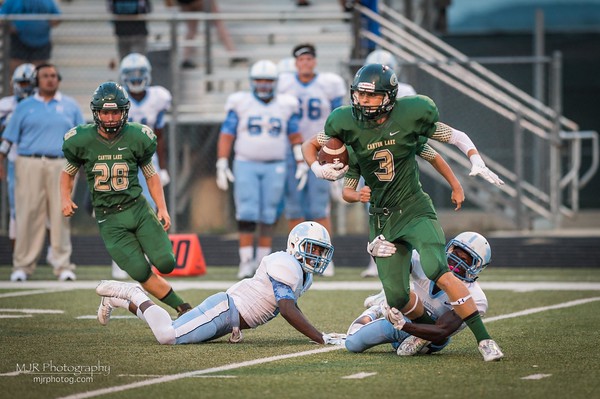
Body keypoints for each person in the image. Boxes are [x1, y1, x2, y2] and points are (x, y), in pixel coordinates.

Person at [302, 63, 504, 361]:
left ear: (390, 97)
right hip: (383, 220)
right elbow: (311, 145)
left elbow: (451, 137)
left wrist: (474, 159)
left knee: (437, 268)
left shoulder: (409, 118)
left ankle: (484, 341)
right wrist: (318, 169)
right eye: (359, 94)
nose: (363, 101)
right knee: (397, 296)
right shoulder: (345, 124)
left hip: (414, 209)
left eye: (371, 96)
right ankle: (428, 334)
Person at [95, 221, 346, 346]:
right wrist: (319, 337)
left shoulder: (303, 275)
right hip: (225, 310)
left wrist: (317, 334)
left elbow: (290, 306)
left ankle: (117, 300)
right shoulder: (285, 263)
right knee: (167, 336)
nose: (317, 256)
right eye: (312, 248)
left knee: (171, 327)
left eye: (321, 251)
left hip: (228, 316)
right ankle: (131, 291)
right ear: (294, 245)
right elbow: (287, 309)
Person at [60, 81, 192, 317]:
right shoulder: (81, 139)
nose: (110, 117)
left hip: (137, 209)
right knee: (140, 271)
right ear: (96, 112)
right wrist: (65, 198)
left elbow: (151, 175)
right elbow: (67, 172)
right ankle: (183, 308)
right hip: (109, 218)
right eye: (105, 112)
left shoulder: (137, 136)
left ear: (124, 112)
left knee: (166, 263)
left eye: (115, 112)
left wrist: (162, 207)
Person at [345, 232, 502, 361]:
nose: (456, 261)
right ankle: (376, 309)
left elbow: (442, 330)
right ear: (449, 248)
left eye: (465, 260)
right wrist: (378, 255)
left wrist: (402, 326)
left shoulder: (476, 297)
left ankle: (390, 310)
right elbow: (394, 271)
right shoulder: (422, 260)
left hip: (432, 338)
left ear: (477, 267)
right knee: (353, 343)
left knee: (433, 341)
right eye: (456, 253)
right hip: (406, 316)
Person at [216, 60, 303, 279]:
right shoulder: (241, 102)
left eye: (268, 81)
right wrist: (222, 161)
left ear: (275, 82)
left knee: (268, 215)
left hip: (276, 165)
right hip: (246, 162)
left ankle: (262, 261)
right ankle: (245, 261)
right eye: (259, 80)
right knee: (246, 213)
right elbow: (228, 132)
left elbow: (294, 134)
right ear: (252, 82)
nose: (263, 85)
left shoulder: (286, 104)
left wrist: (301, 160)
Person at [0, 63, 83, 282]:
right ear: (38, 80)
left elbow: (82, 139)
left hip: (62, 164)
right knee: (28, 214)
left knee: (61, 214)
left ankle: (62, 265)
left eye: (54, 76)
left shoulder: (70, 106)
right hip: (29, 163)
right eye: (45, 76)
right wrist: (1, 164)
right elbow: (7, 140)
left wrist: (84, 165)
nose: (50, 79)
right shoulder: (24, 106)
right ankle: (22, 266)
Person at [277, 43, 346, 277]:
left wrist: (337, 149)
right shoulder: (285, 84)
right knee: (294, 207)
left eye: (309, 59)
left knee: (319, 207)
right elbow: (286, 119)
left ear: (314, 61)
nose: (305, 63)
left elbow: (338, 117)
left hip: (322, 152)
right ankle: (293, 255)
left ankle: (326, 256)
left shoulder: (328, 83)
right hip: (292, 152)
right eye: (301, 60)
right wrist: (297, 150)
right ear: (296, 63)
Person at [107, 52, 171, 279]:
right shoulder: (115, 96)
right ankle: (120, 258)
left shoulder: (158, 97)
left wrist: (162, 167)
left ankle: (141, 256)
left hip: (147, 160)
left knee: (147, 210)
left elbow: (160, 135)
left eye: (139, 74)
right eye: (130, 74)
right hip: (120, 160)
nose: (135, 78)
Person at [360, 49, 416, 277]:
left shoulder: (407, 92)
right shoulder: (361, 93)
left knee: (406, 208)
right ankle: (376, 260)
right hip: (372, 156)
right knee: (374, 210)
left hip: (399, 157)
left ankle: (408, 259)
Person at [0, 63, 36, 251]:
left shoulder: (41, 103)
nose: (26, 88)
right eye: (22, 83)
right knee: (16, 209)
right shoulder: (5, 105)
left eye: (29, 83)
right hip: (15, 160)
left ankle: (45, 253)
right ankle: (17, 253)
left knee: (44, 210)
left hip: (38, 160)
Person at [165, 0, 239, 69]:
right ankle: (233, 54)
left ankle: (185, 59)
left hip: (185, 2)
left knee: (191, 29)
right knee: (218, 23)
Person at [0, 0, 61, 76]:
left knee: (38, 74)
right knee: (16, 74)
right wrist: (11, 27)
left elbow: (56, 18)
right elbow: (2, 17)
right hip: (18, 41)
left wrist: (42, 26)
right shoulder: (13, 1)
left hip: (41, 41)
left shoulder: (47, 1)